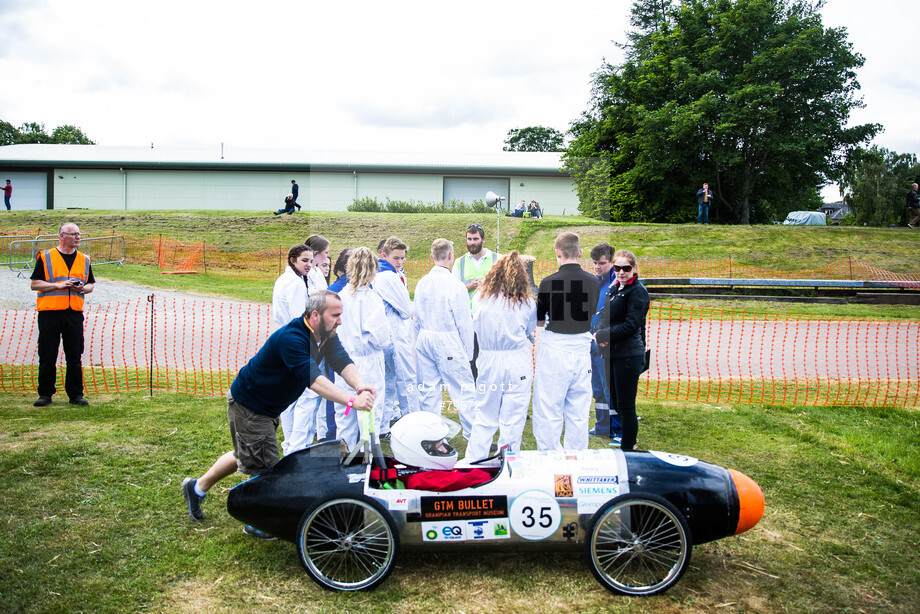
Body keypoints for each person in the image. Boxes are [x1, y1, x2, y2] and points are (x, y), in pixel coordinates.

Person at [182, 291, 376, 536]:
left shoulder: (325, 335)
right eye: (335, 315)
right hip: (251, 407)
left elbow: (340, 360)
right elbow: (313, 380)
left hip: (267, 407)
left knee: (248, 452)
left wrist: (360, 385)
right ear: (315, 315)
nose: (340, 321)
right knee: (272, 471)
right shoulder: (292, 338)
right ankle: (258, 522)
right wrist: (352, 400)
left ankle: (196, 488)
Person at [465, 250, 536, 462]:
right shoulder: (526, 302)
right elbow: (528, 329)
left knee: (484, 414)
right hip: (515, 360)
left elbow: (475, 323)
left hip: (488, 360)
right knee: (513, 417)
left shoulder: (480, 298)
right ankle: (508, 461)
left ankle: (473, 460)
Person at [532, 231, 600, 451]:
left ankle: (549, 455)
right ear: (580, 253)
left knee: (549, 407)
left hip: (556, 347)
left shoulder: (547, 282)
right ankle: (576, 457)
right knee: (578, 410)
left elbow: (539, 321)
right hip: (581, 347)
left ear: (557, 252)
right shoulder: (594, 282)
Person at [413, 238, 476, 437]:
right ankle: (473, 435)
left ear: (432, 257)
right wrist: (468, 353)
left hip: (425, 337)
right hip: (447, 339)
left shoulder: (422, 282)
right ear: (451, 256)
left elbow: (416, 316)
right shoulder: (455, 285)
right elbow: (464, 322)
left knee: (428, 391)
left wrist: (418, 340)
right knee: (464, 390)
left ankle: (430, 436)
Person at [30, 222, 95, 407]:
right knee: (48, 355)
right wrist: (57, 285)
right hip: (49, 313)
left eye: (79, 234)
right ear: (61, 236)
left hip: (73, 313)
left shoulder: (84, 259)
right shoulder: (46, 256)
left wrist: (83, 288)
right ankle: (45, 394)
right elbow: (34, 284)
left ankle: (76, 395)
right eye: (73, 234)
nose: (77, 237)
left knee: (74, 355)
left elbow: (91, 284)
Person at [335, 247, 391, 446]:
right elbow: (382, 339)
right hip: (368, 361)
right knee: (370, 416)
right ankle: (368, 460)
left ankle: (344, 459)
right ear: (373, 270)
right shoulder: (372, 299)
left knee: (344, 414)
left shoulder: (340, 296)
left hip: (344, 362)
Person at [594, 250, 650, 452]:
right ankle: (627, 443)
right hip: (612, 354)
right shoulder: (615, 288)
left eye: (626, 268)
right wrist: (600, 332)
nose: (621, 272)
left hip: (628, 355)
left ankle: (628, 447)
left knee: (626, 407)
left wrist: (603, 335)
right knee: (616, 403)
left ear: (634, 268)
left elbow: (631, 325)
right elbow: (604, 315)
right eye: (617, 268)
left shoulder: (638, 291)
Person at [271, 244, 315, 454]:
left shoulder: (283, 280)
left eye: (310, 261)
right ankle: (297, 445)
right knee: (307, 395)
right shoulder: (296, 284)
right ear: (292, 260)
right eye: (304, 260)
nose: (309, 265)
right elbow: (300, 317)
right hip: (296, 341)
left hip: (283, 339)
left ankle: (290, 442)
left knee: (289, 396)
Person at [375, 237, 419, 424]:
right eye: (396, 258)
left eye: (402, 258)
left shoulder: (385, 274)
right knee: (406, 379)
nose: (400, 262)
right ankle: (412, 422)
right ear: (384, 255)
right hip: (395, 334)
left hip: (387, 333)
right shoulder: (389, 277)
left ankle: (384, 423)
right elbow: (406, 310)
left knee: (388, 381)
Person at [452, 223, 499, 378]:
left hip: (491, 318)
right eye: (469, 239)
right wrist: (470, 286)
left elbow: (506, 287)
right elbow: (453, 291)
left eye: (475, 239)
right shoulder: (460, 262)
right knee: (471, 359)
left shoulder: (497, 259)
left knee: (490, 358)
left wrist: (488, 285)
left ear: (483, 239)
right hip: (469, 319)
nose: (472, 242)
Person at [588, 242, 621, 443]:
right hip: (591, 344)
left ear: (612, 262)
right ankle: (602, 427)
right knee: (598, 388)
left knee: (611, 389)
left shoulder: (617, 284)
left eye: (601, 263)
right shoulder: (594, 283)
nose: (597, 267)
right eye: (594, 263)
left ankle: (618, 429)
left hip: (608, 346)